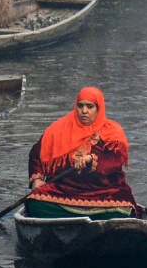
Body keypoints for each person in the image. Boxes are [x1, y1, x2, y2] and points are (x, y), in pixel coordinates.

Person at [25, 87, 139, 218]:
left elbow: (116, 159)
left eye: (90, 106)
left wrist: (92, 158)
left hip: (104, 193)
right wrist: (37, 180)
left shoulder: (112, 131)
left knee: (125, 211)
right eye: (80, 106)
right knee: (34, 203)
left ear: (99, 108)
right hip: (64, 191)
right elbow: (36, 154)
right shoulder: (58, 129)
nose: (84, 111)